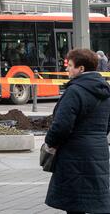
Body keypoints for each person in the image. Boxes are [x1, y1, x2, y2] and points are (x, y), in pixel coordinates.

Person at [45, 48, 110, 214]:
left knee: (75, 204)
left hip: (73, 155)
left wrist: (50, 143)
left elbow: (61, 126)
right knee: (96, 200)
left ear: (81, 69)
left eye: (70, 65)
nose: (67, 69)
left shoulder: (74, 91)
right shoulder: (106, 91)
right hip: (99, 152)